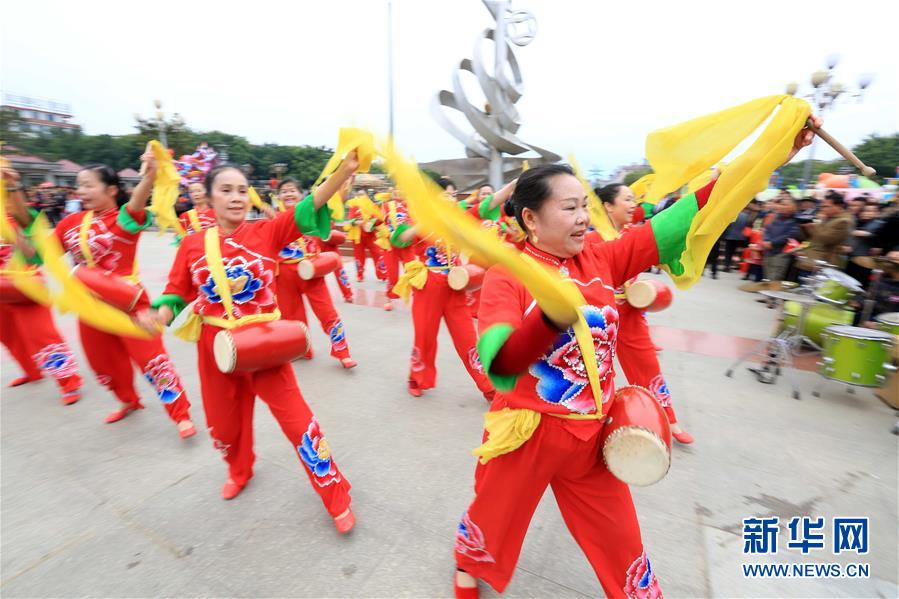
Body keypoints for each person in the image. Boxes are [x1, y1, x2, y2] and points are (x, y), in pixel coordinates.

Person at [452, 117, 819, 598]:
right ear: (530, 220)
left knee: (622, 539)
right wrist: (545, 320)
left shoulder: (602, 259)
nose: (584, 217)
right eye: (570, 208)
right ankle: (468, 564)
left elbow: (689, 212)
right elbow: (499, 364)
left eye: (585, 205)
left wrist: (772, 154)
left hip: (592, 434)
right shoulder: (509, 275)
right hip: (529, 432)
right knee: (494, 512)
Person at [136, 156, 357, 532]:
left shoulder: (267, 232)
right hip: (215, 346)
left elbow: (310, 205)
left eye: (242, 190)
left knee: (299, 423)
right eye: (226, 190)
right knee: (224, 427)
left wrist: (343, 172)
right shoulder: (191, 244)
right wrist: (159, 313)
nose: (236, 197)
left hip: (265, 346)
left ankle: (335, 494)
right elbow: (176, 293)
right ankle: (240, 469)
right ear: (208, 199)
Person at [15, 156, 197, 436]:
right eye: (79, 186)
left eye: (88, 185)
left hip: (129, 303)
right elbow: (38, 256)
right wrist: (15, 224)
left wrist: (148, 176)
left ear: (111, 190)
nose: (81, 191)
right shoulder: (69, 223)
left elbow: (137, 202)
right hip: (91, 307)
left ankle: (180, 414)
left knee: (152, 361)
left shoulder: (124, 218)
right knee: (103, 363)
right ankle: (127, 400)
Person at [596, 182, 693, 443]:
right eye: (626, 200)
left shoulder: (634, 235)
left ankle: (669, 420)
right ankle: (597, 420)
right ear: (607, 206)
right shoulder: (590, 240)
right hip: (598, 319)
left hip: (630, 316)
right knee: (594, 373)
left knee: (649, 367)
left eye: (633, 200)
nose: (633, 205)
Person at [392, 206, 496, 402]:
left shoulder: (456, 217)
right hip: (428, 286)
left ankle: (488, 386)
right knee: (425, 336)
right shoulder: (418, 217)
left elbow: (484, 206)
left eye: (451, 194)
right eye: (444, 195)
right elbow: (398, 239)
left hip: (455, 285)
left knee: (468, 339)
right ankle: (416, 379)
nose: (449, 199)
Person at [1, 167, 83, 404]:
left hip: (25, 286)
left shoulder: (16, 217)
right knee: (8, 336)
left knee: (43, 337)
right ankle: (31, 371)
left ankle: (69, 380)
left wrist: (12, 183)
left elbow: (30, 249)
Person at [275, 177, 357, 368]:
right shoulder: (274, 219)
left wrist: (344, 181)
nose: (288, 193)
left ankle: (342, 352)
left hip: (312, 271)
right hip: (285, 275)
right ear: (278, 196)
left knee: (327, 312)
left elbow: (335, 202)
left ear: (300, 194)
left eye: (292, 190)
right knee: (291, 316)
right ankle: (302, 349)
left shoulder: (311, 211)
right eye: (284, 191)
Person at [797, 190, 854, 275]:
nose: (823, 209)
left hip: (821, 265)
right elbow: (811, 239)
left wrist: (815, 225)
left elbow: (826, 240)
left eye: (826, 206)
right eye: (822, 206)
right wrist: (805, 229)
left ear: (839, 206)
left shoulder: (844, 222)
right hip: (808, 260)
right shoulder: (829, 218)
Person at [345, 190, 386, 282]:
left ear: (367, 196)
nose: (361, 197)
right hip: (358, 236)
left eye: (362, 195)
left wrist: (372, 223)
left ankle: (382, 274)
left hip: (371, 235)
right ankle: (360, 275)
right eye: (359, 195)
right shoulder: (354, 206)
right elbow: (351, 220)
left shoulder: (372, 206)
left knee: (378, 253)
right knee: (359, 256)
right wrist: (357, 221)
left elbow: (379, 219)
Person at [762, 196, 801, 282]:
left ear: (792, 207)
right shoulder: (776, 217)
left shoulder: (795, 220)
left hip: (781, 252)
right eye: (781, 204)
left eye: (785, 205)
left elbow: (790, 235)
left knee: (775, 276)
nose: (781, 207)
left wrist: (772, 243)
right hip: (769, 250)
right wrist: (766, 241)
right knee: (767, 276)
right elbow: (768, 229)